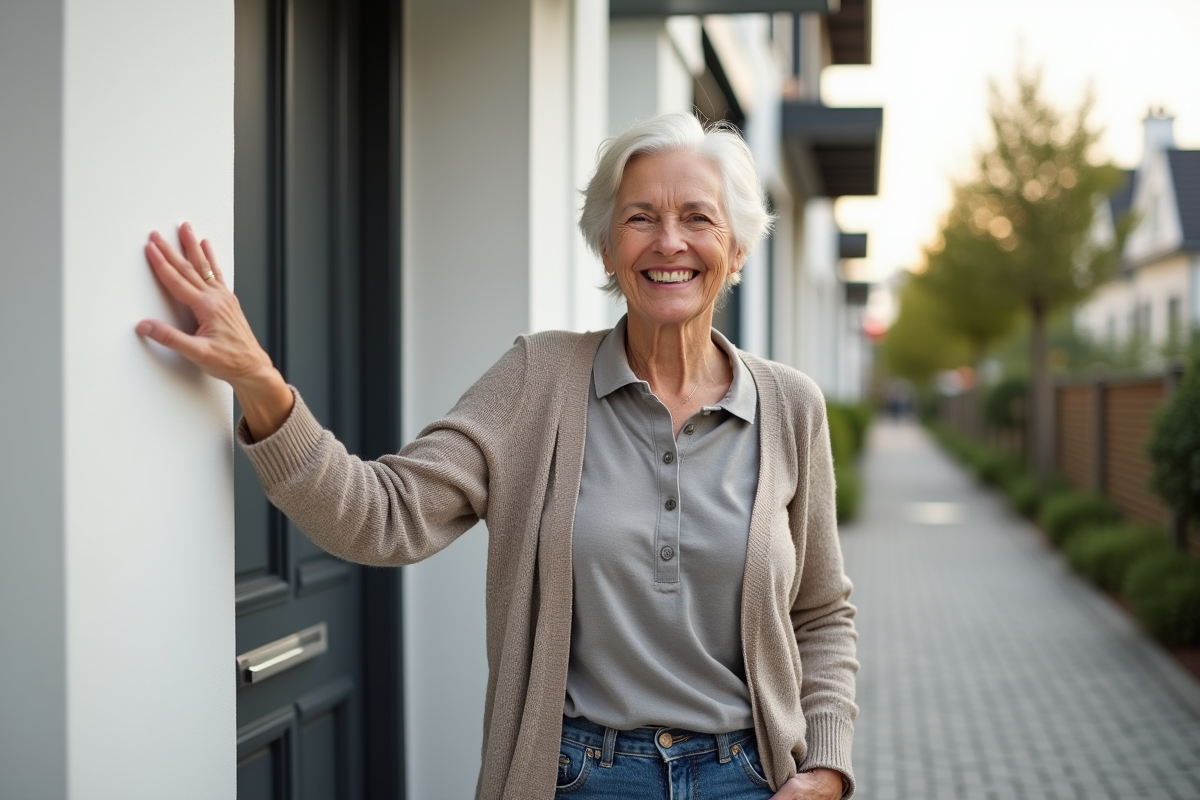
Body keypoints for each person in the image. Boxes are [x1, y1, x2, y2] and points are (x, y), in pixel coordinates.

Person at [137, 112, 857, 800]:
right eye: (640, 217)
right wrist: (261, 383)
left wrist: (825, 764)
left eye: (698, 217)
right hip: (579, 778)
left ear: (736, 250)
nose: (669, 241)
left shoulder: (789, 408)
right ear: (608, 248)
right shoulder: (536, 379)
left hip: (749, 777)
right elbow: (381, 517)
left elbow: (821, 611)